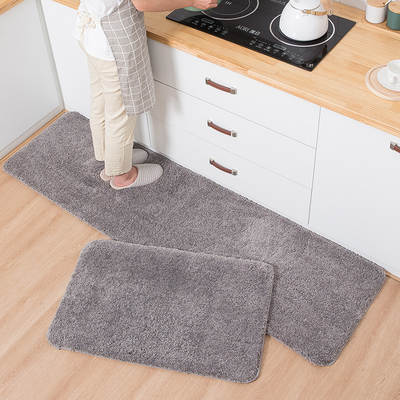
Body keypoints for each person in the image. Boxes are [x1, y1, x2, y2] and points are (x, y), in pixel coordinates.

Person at [74, 0, 218, 190]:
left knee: (101, 102)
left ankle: (110, 158)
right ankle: (122, 175)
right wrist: (192, 1)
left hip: (93, 36)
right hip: (113, 46)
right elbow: (143, 3)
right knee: (122, 114)